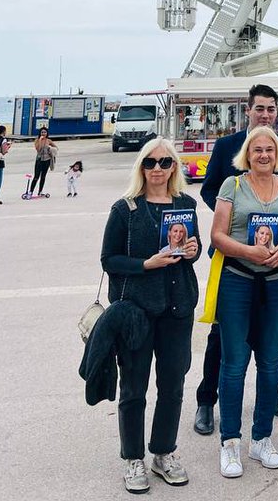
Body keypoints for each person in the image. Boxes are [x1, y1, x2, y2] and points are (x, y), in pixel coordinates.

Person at [194, 83, 278, 436]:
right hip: (235, 260)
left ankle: (270, 395)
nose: (266, 114)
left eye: (271, 109)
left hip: (276, 261)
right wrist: (235, 222)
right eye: (260, 108)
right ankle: (206, 401)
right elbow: (209, 188)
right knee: (224, 340)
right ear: (248, 110)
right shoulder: (229, 147)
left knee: (270, 338)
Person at [99, 138, 201, 493]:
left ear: (174, 167)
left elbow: (195, 248)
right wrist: (146, 264)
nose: (158, 169)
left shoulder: (186, 204)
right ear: (141, 167)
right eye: (150, 163)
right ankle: (133, 458)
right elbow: (108, 260)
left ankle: (163, 452)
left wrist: (191, 249)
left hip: (177, 308)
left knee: (173, 385)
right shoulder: (125, 209)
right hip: (137, 312)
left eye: (165, 162)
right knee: (134, 388)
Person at [210, 126, 278, 479]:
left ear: (277, 154)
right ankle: (230, 442)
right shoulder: (232, 186)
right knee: (234, 362)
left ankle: (262, 438)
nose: (263, 155)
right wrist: (248, 250)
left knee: (271, 362)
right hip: (237, 281)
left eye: (269, 149)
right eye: (257, 150)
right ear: (247, 154)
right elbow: (217, 235)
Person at [27, 127, 57, 198]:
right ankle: (31, 191)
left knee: (43, 177)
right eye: (42, 132)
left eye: (45, 132)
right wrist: (40, 140)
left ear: (47, 133)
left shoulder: (48, 140)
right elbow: (38, 149)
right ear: (40, 133)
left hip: (47, 160)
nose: (43, 133)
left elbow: (56, 148)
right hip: (39, 160)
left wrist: (51, 149)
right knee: (36, 176)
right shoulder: (37, 140)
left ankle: (40, 191)